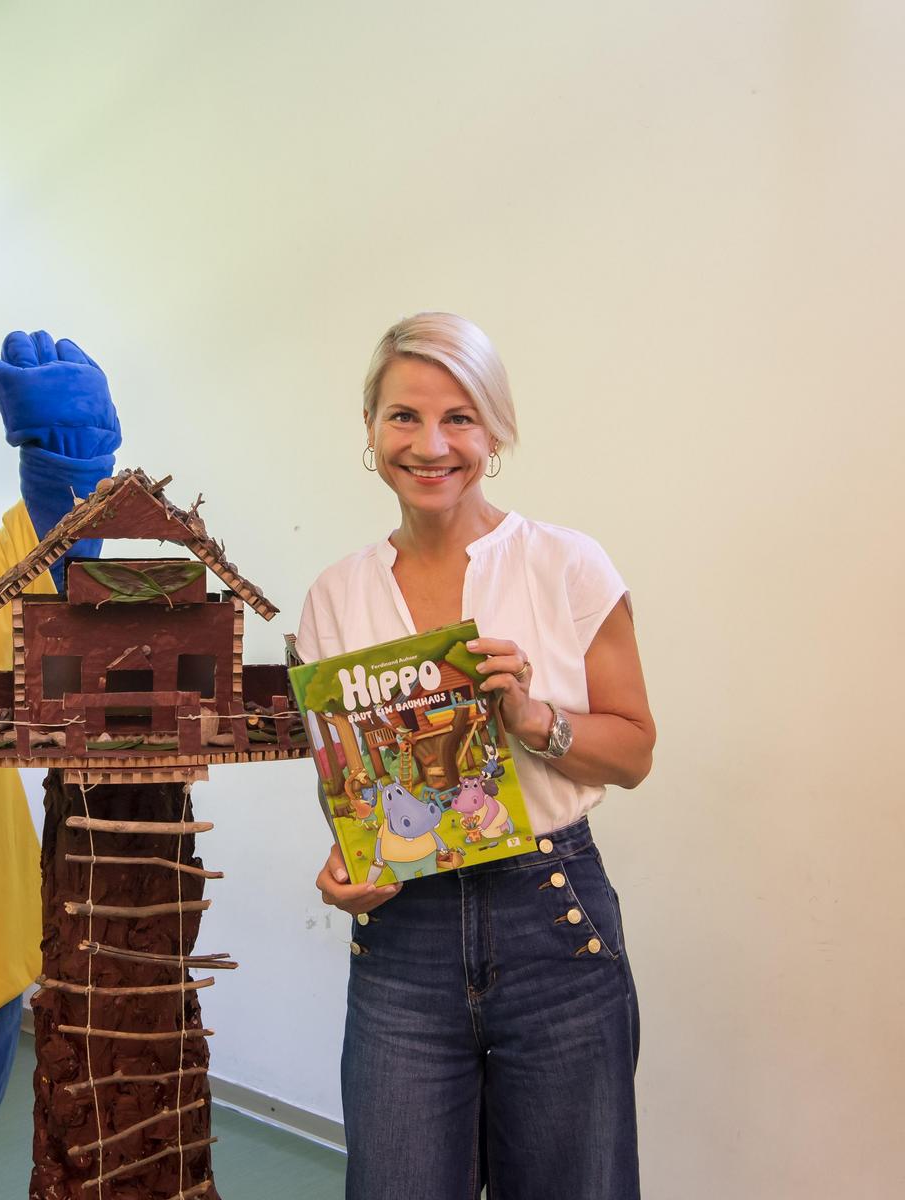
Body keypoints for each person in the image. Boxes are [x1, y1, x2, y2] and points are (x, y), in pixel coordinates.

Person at [296, 312, 656, 1200]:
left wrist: (534, 719)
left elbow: (635, 751)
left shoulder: (567, 565)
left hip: (553, 918)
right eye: (404, 416)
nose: (430, 445)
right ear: (371, 430)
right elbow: (349, 788)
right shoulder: (334, 596)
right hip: (404, 941)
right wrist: (349, 869)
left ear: (494, 431)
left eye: (459, 417)